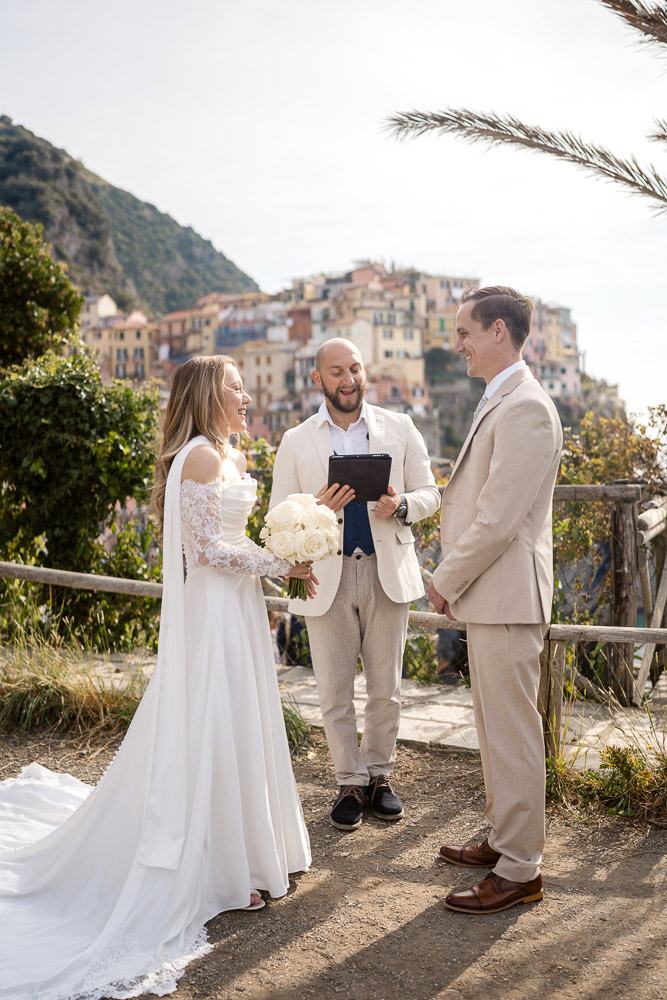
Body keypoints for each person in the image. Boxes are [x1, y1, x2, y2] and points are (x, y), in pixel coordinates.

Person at [0, 355, 314, 999]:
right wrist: (279, 560)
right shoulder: (198, 457)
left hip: (238, 608)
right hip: (214, 610)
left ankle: (248, 852)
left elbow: (232, 539)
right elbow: (206, 553)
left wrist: (280, 557)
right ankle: (220, 867)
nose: (247, 395)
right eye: (235, 387)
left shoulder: (229, 455)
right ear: (208, 395)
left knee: (238, 718)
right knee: (213, 722)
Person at [427, 286, 563, 914]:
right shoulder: (503, 400)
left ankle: (520, 869)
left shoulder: (526, 407)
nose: (458, 345)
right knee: (495, 728)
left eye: (465, 333)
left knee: (512, 733)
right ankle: (505, 840)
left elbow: (500, 518)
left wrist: (446, 577)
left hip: (507, 597)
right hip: (492, 595)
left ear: (499, 331)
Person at [271, 338, 440, 831]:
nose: (349, 379)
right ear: (317, 379)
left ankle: (380, 777)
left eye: (355, 369)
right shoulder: (296, 441)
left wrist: (402, 505)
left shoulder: (400, 426)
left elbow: (432, 493)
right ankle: (349, 780)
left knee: (386, 687)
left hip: (387, 573)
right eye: (337, 372)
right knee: (333, 690)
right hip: (327, 577)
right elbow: (279, 513)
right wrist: (315, 508)